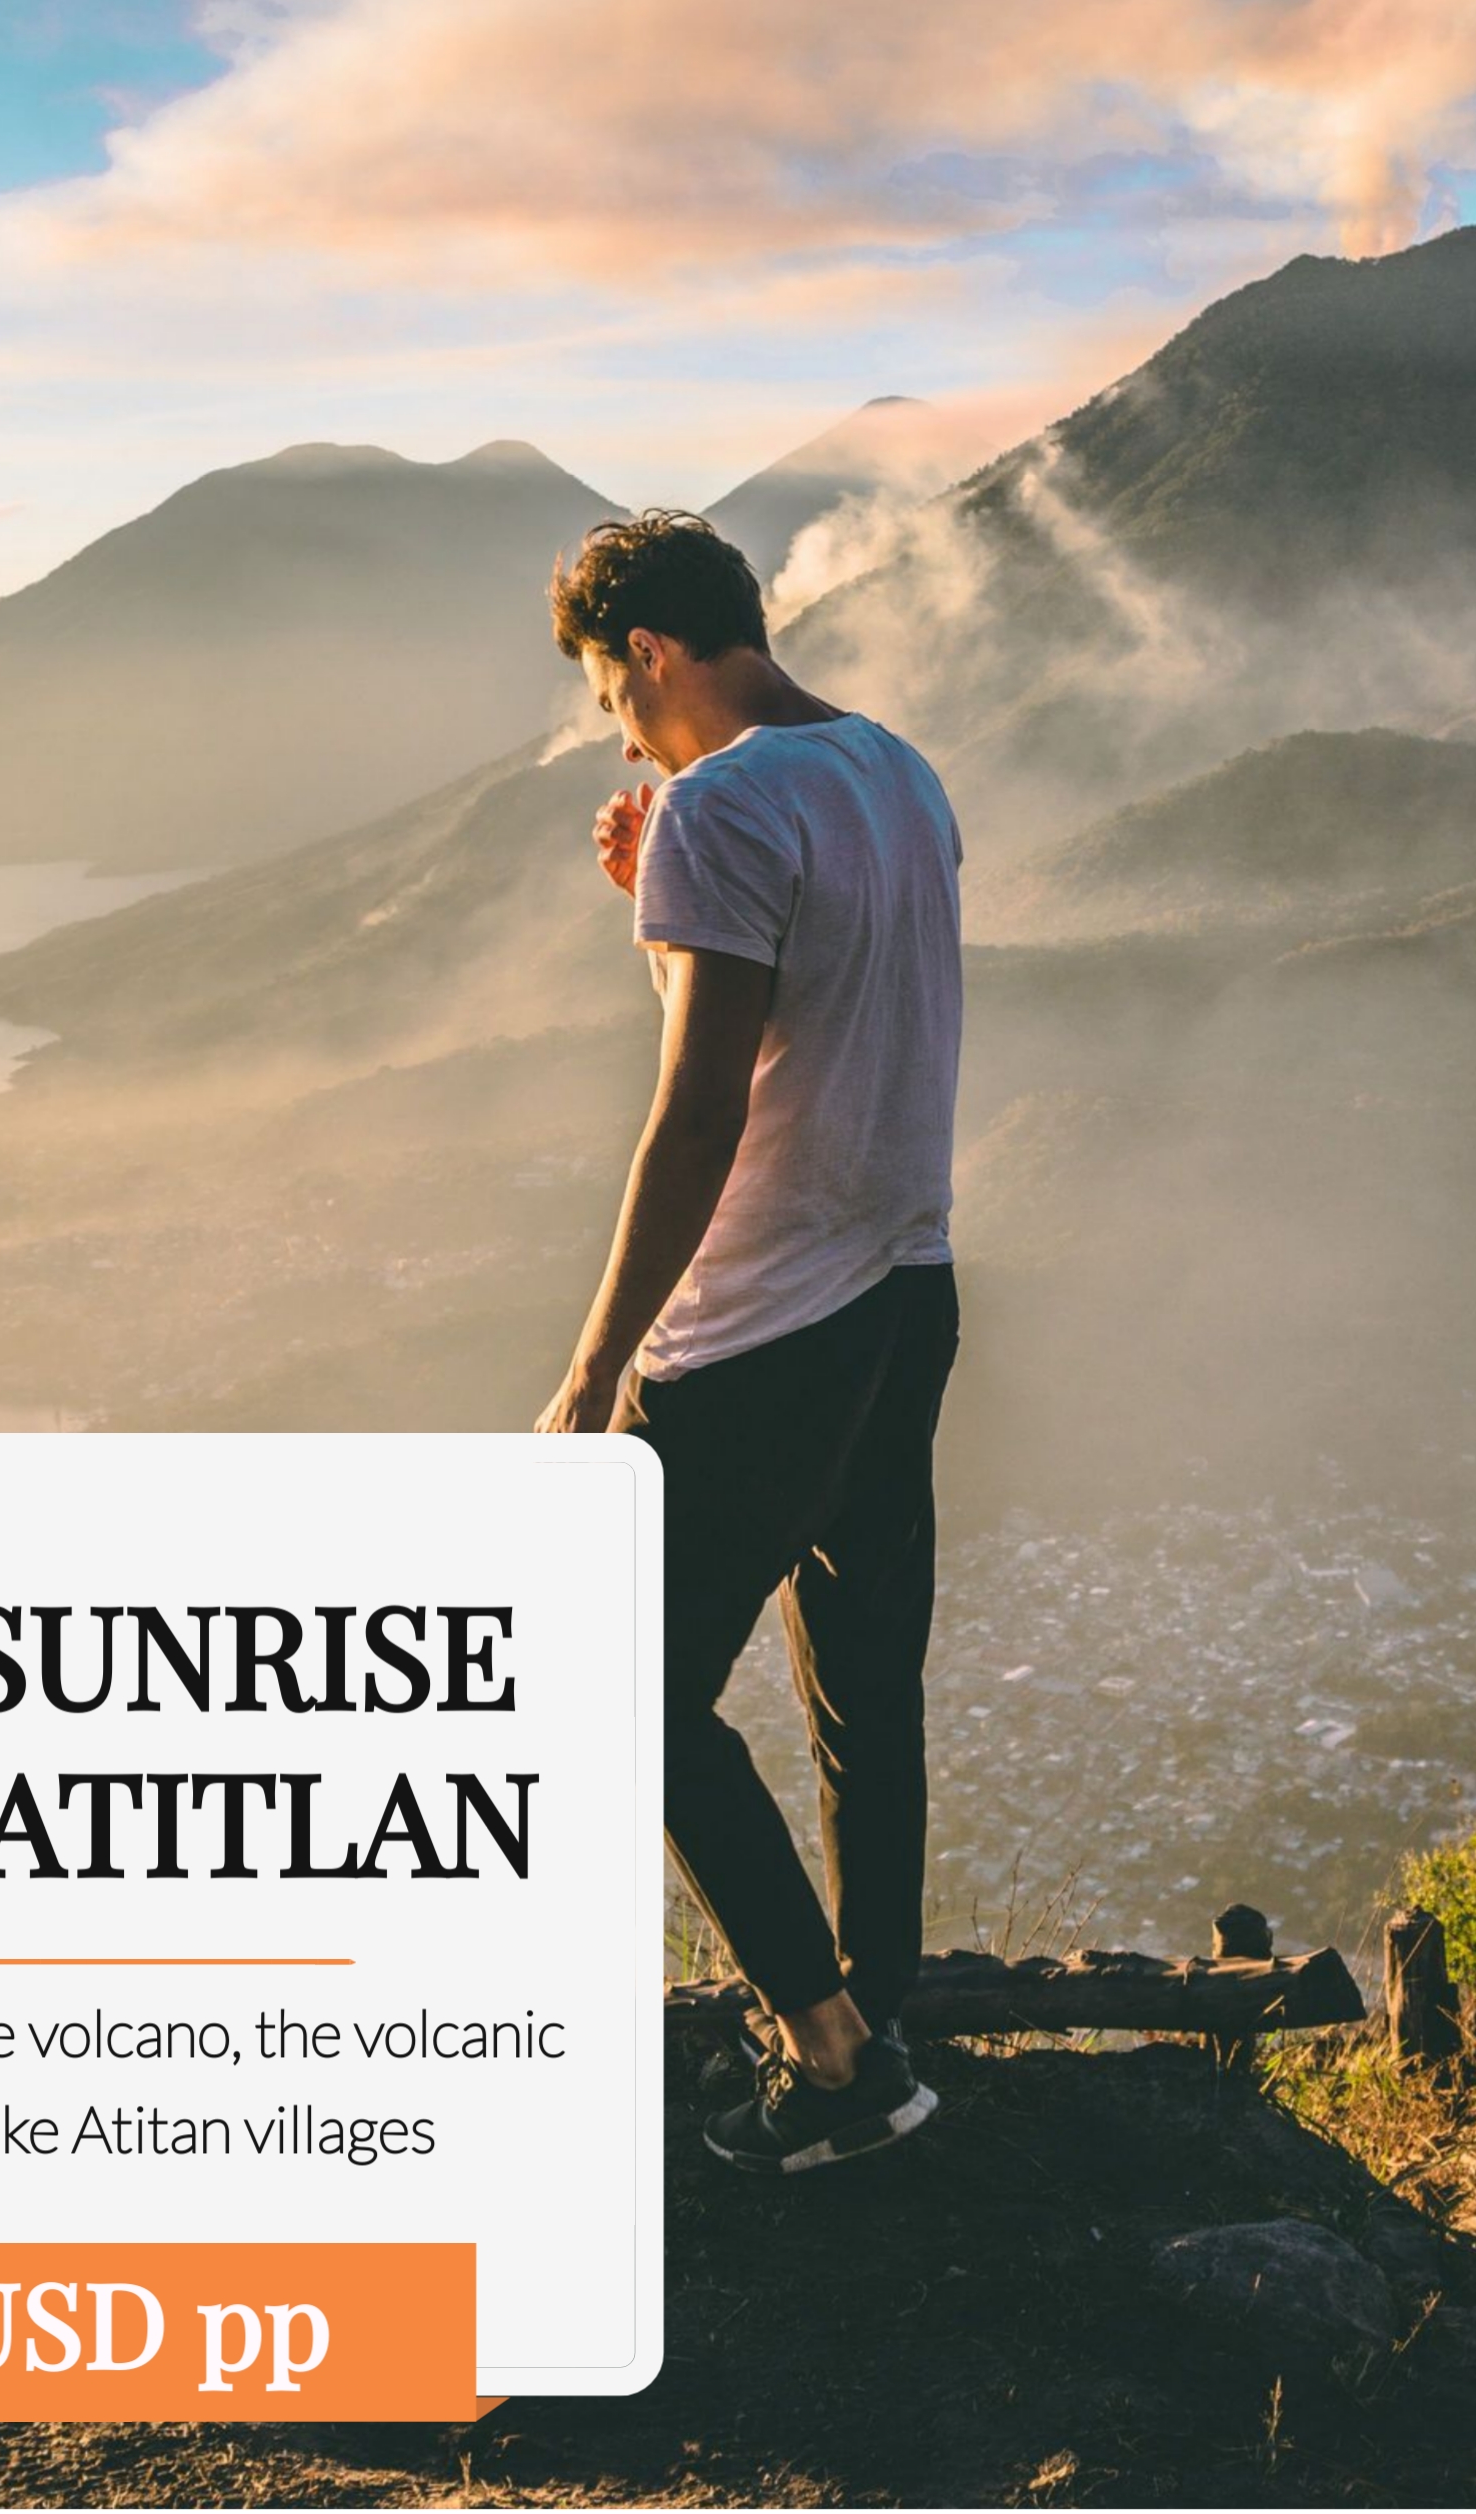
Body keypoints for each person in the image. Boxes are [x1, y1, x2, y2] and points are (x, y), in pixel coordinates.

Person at [536, 509, 967, 2173]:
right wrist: (664, 900)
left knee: (614, 1681)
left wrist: (593, 1366)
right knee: (863, 1687)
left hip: (761, 1326)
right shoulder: (893, 767)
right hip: (905, 1288)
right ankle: (883, 2012)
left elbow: (703, 1107)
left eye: (608, 694)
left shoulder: (719, 807)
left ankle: (839, 2064)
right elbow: (832, 1019)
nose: (616, 732)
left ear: (647, 651)